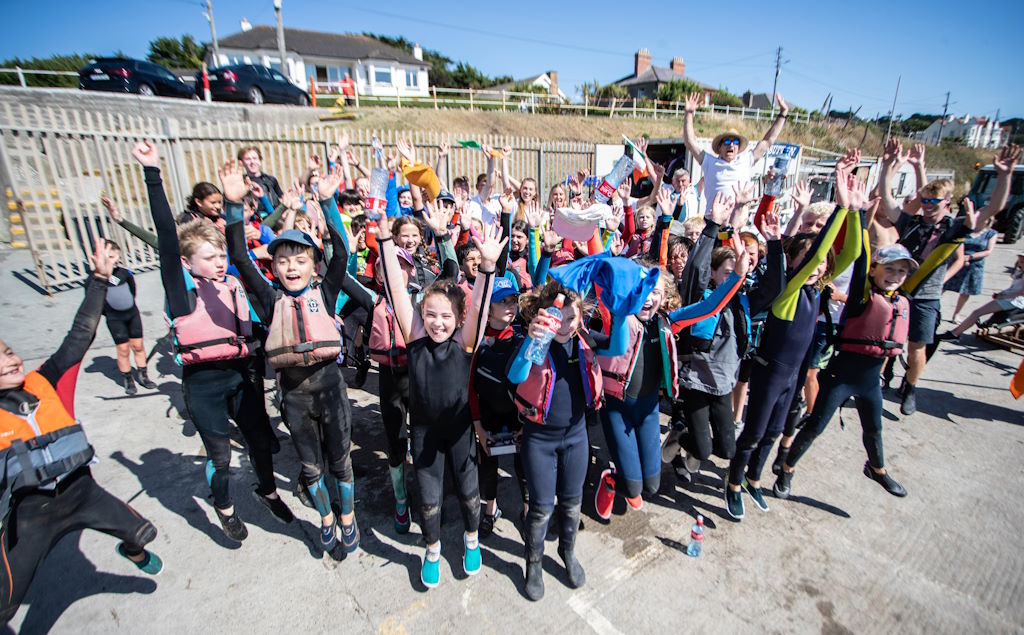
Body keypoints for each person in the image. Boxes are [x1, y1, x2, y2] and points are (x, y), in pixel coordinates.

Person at [133, 141, 293, 542]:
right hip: (203, 384)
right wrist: (153, 173)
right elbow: (168, 242)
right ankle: (224, 508)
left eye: (221, 255)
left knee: (259, 439)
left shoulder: (234, 286)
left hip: (240, 374)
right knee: (220, 458)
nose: (220, 262)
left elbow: (257, 326)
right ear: (188, 263)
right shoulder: (181, 293)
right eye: (210, 257)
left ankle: (267, 490)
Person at [0, 240, 162, 623]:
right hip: (31, 517)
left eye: (8, 351)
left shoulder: (43, 379)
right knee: (5, 606)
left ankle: (132, 553)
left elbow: (80, 334)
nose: (11, 360)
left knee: (143, 534)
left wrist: (100, 278)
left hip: (82, 492)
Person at [223, 161, 360, 554]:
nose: (291, 267)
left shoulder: (327, 291)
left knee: (340, 462)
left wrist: (330, 202)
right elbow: (239, 256)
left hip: (332, 392)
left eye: (300, 260)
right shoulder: (269, 300)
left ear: (312, 265)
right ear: (274, 267)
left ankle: (348, 518)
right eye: (283, 261)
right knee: (311, 467)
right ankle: (326, 519)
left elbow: (341, 254)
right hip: (295, 398)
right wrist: (234, 208)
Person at [376, 198, 505, 589]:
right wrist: (384, 240)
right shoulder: (414, 335)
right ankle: (431, 549)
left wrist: (486, 267)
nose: (437, 323)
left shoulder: (466, 340)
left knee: (468, 492)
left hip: (461, 429)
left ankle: (471, 540)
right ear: (420, 315)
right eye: (430, 315)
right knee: (428, 495)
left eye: (446, 316)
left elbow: (481, 308)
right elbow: (398, 290)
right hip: (425, 431)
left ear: (458, 319)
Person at [595, 226, 754, 518]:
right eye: (640, 290)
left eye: (654, 292)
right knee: (633, 488)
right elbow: (600, 283)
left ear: (664, 295)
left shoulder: (669, 322)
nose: (647, 298)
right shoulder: (618, 319)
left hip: (648, 409)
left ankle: (622, 479)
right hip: (617, 408)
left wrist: (738, 275)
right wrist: (607, 251)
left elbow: (709, 306)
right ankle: (611, 482)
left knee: (652, 486)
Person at [775, 180, 916, 499]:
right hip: (841, 376)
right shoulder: (862, 298)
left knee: (874, 427)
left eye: (901, 272)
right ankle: (787, 469)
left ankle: (877, 468)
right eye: (889, 270)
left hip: (870, 380)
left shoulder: (899, 301)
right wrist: (859, 217)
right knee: (815, 425)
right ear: (876, 270)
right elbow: (860, 256)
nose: (894, 276)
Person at [724, 198, 860, 520]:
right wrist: (840, 208)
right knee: (754, 432)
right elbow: (812, 257)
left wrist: (857, 213)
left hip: (793, 376)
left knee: (774, 432)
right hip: (770, 374)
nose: (818, 267)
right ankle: (732, 483)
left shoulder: (818, 290)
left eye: (824, 263)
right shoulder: (788, 293)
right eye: (809, 261)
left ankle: (753, 478)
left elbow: (852, 253)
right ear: (794, 263)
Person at [877, 141, 1021, 415]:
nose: (929, 206)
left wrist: (1004, 176)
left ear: (947, 203)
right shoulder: (911, 223)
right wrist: (887, 166)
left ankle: (910, 388)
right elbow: (887, 199)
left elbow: (992, 210)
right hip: (898, 293)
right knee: (887, 343)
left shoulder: (955, 228)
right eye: (926, 201)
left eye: (935, 202)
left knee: (917, 348)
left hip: (926, 298)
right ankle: (881, 379)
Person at [668, 191, 784, 484]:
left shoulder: (744, 302)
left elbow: (775, 289)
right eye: (729, 272)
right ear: (716, 274)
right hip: (695, 381)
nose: (736, 277)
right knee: (704, 451)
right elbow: (695, 268)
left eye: (740, 273)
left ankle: (682, 436)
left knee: (727, 448)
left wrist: (775, 242)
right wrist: (712, 226)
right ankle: (683, 438)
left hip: (722, 385)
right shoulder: (700, 297)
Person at [469, 276, 528, 537]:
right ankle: (491, 509)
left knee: (524, 466)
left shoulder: (522, 337)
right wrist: (478, 426)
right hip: (488, 416)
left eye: (513, 300)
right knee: (488, 469)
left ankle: (527, 508)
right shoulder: (476, 341)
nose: (510, 306)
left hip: (518, 417)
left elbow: (531, 386)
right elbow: (470, 389)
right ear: (488, 307)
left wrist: (527, 422)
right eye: (501, 301)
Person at [89, 210, 161, 396]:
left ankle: (143, 375)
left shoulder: (124, 273)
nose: (116, 260)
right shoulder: (95, 278)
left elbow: (132, 289)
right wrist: (110, 311)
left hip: (131, 313)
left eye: (117, 256)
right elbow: (94, 301)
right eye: (111, 257)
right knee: (122, 349)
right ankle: (127, 378)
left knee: (138, 346)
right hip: (115, 317)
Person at [681, 91, 790, 202]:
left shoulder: (746, 160)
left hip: (738, 217)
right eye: (727, 142)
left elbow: (767, 141)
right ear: (719, 147)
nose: (732, 145)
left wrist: (783, 114)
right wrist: (688, 113)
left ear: (738, 148)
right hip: (713, 218)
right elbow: (690, 142)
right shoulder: (709, 162)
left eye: (735, 142)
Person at [943, 221, 998, 323]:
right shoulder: (967, 229)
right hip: (956, 261)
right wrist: (959, 257)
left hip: (974, 265)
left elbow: (988, 251)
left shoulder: (991, 233)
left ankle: (956, 314)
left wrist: (969, 257)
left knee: (965, 291)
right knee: (942, 285)